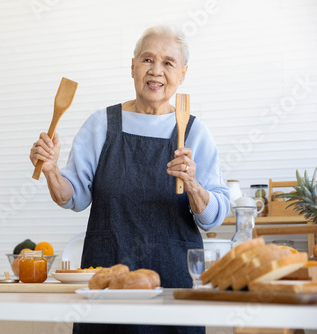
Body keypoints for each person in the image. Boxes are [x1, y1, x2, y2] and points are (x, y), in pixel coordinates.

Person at [30, 25, 230, 334]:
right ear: (133, 66)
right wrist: (52, 170)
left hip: (173, 286)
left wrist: (192, 185)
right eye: (147, 60)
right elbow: (71, 197)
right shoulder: (101, 124)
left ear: (183, 73)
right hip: (108, 284)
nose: (156, 71)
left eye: (168, 63)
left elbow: (213, 217)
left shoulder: (194, 132)